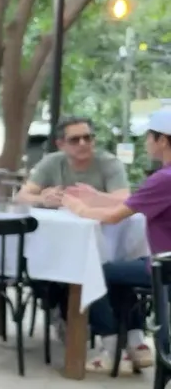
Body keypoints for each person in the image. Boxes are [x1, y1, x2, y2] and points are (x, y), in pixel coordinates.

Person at [62, 108, 171, 372]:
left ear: (162, 140)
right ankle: (134, 341)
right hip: (160, 263)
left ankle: (111, 346)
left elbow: (113, 217)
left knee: (93, 271)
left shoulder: (163, 179)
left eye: (149, 137)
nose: (146, 142)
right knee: (120, 269)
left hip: (164, 268)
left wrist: (77, 207)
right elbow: (133, 202)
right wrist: (96, 197)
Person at [18, 116, 128, 208]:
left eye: (87, 138)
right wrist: (43, 200)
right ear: (61, 145)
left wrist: (95, 198)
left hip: (99, 224)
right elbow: (21, 197)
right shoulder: (51, 162)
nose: (82, 143)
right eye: (74, 140)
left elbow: (124, 201)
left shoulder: (110, 163)